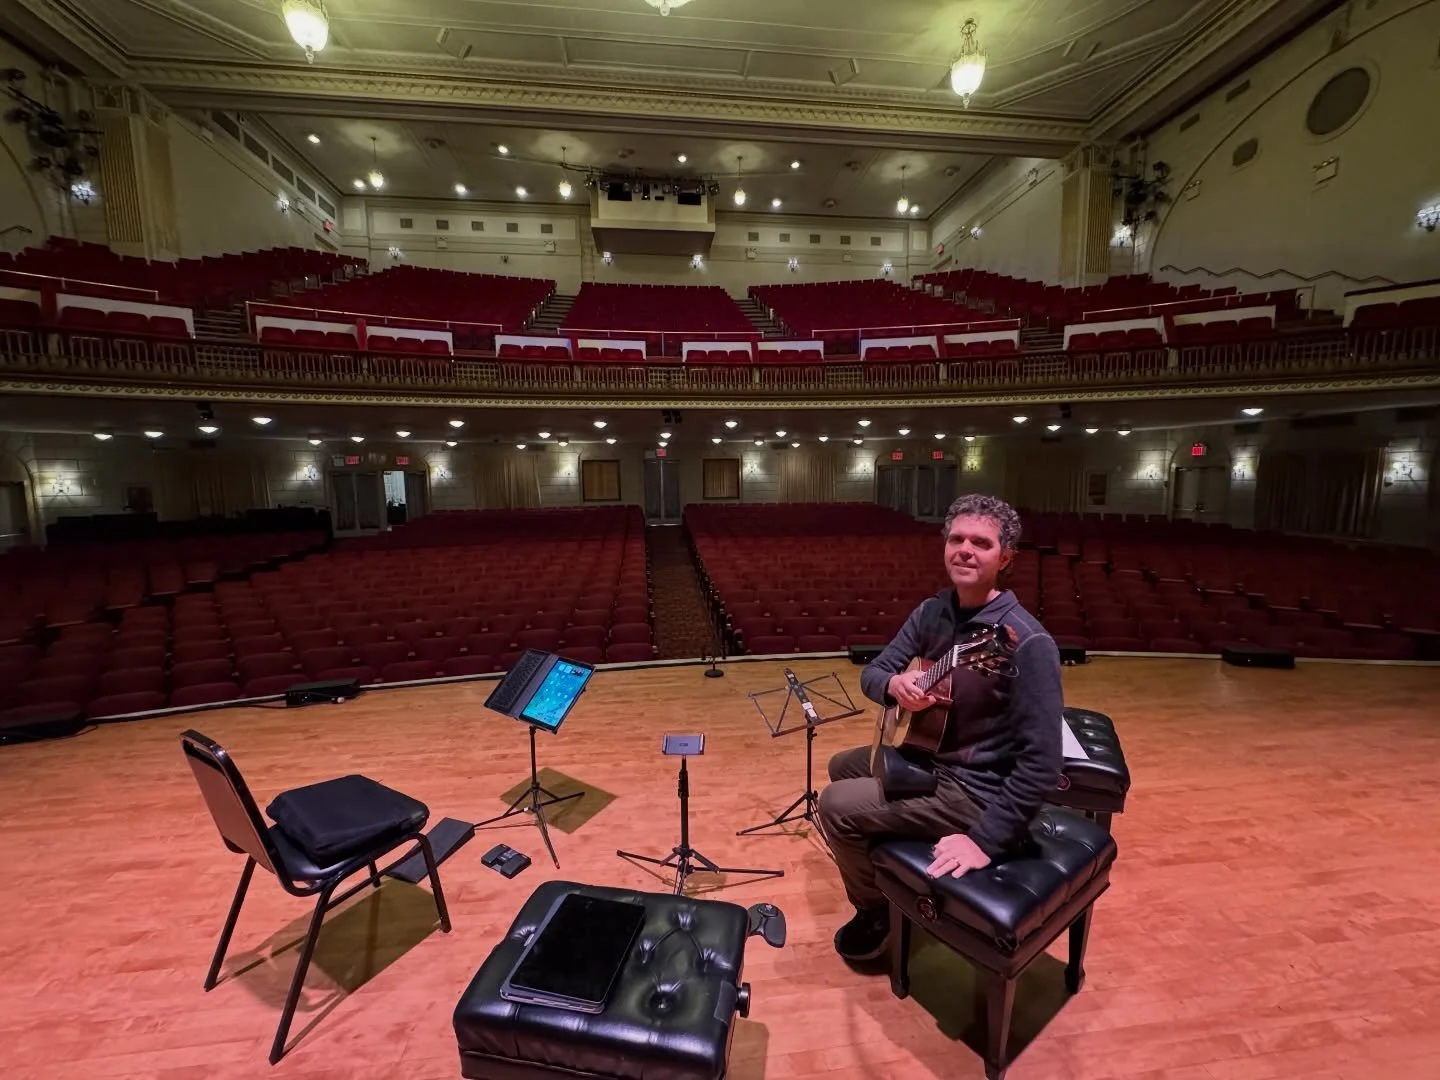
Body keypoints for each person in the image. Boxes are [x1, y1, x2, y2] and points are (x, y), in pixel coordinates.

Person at [817, 493, 1063, 963]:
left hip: (977, 789)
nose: (965, 549)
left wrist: (984, 840)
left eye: (981, 543)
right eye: (957, 539)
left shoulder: (1026, 642)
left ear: (1005, 557)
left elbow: (1042, 763)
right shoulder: (933, 612)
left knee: (836, 806)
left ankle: (872, 910)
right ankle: (889, 864)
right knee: (839, 766)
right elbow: (872, 674)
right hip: (928, 755)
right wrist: (895, 683)